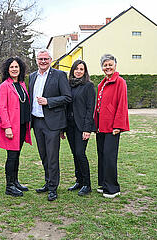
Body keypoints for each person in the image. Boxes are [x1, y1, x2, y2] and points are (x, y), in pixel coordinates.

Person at [29, 49, 72, 201]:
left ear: (51, 60)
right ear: (36, 60)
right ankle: (48, 182)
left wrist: (49, 101)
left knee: (53, 157)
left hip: (52, 123)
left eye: (46, 59)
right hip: (37, 122)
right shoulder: (32, 76)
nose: (43, 61)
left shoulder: (59, 75)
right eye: (40, 59)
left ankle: (53, 188)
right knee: (44, 156)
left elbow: (67, 97)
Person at [94, 54, 130, 199]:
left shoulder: (120, 82)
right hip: (101, 127)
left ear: (115, 65)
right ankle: (104, 184)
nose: (107, 67)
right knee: (102, 156)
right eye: (105, 65)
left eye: (110, 64)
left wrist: (118, 126)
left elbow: (122, 105)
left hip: (112, 127)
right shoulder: (101, 84)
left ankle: (113, 188)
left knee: (109, 157)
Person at [0, 57, 32, 197]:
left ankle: (15, 181)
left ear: (20, 69)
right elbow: (3, 107)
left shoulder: (22, 84)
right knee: (11, 156)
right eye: (11, 67)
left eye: (16, 67)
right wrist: (7, 126)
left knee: (17, 155)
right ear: (7, 69)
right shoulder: (4, 86)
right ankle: (9, 186)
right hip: (11, 127)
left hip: (22, 125)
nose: (14, 69)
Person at [63, 60, 96, 196]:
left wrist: (87, 129)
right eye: (76, 69)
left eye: (81, 69)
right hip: (70, 125)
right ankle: (79, 181)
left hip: (82, 126)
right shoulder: (68, 85)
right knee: (74, 154)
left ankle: (87, 184)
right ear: (72, 70)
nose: (78, 71)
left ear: (85, 71)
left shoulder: (88, 86)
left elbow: (90, 109)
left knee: (80, 153)